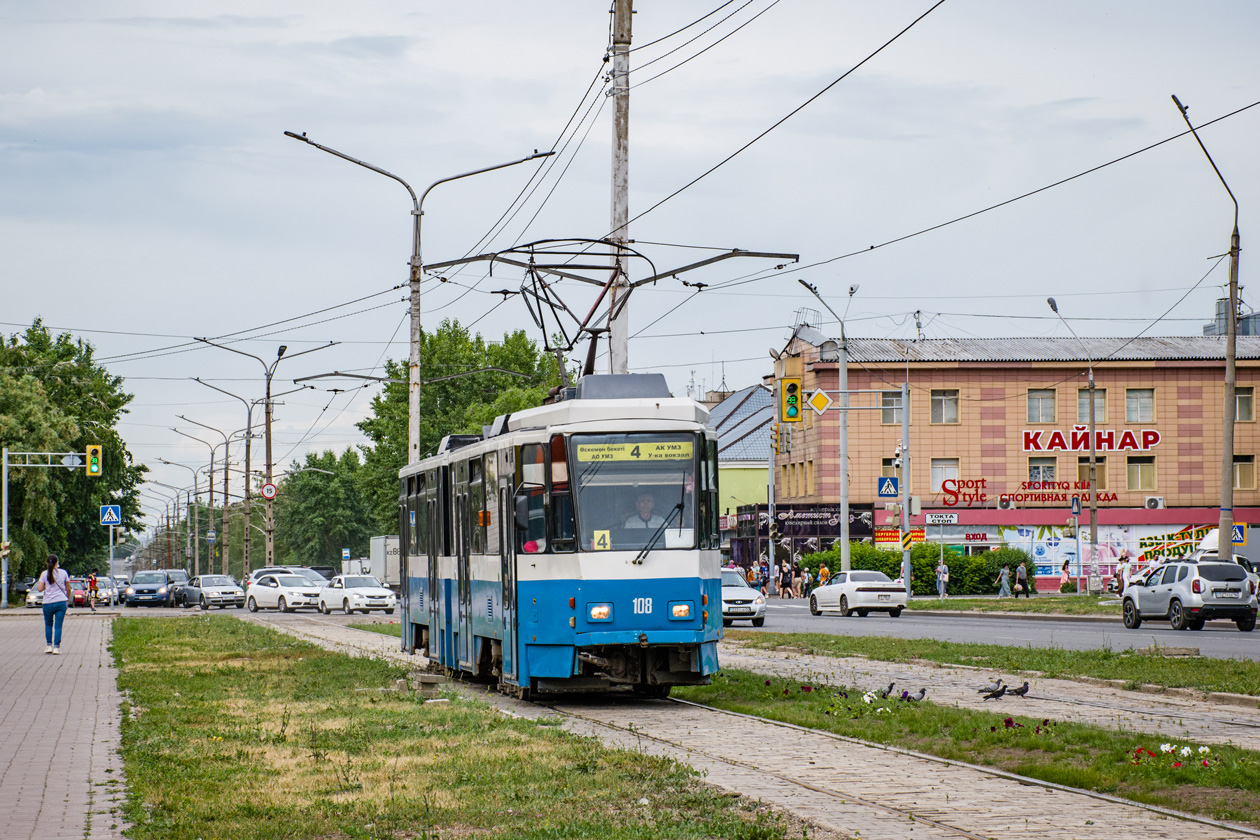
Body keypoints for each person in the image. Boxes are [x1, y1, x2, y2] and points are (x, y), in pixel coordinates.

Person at [38, 554, 70, 654]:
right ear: (57, 562)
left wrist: (46, 586)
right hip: (61, 601)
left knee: (48, 624)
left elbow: (39, 589)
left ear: (47, 563)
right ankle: (56, 648)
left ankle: (48, 646)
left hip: (47, 602)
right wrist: (67, 599)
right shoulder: (63, 573)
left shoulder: (44, 574)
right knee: (58, 625)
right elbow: (68, 588)